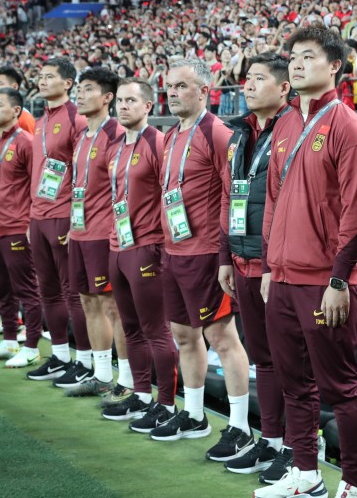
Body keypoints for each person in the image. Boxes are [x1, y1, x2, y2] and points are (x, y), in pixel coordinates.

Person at [255, 26, 357, 498]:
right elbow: (270, 201)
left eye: (309, 56)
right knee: (293, 384)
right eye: (294, 57)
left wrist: (340, 281)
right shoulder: (284, 123)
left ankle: (354, 484)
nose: (298, 64)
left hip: (324, 283)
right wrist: (268, 267)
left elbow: (356, 214)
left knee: (341, 386)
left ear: (335, 67)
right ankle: (305, 474)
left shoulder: (348, 127)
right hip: (281, 278)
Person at [151, 59, 251, 453]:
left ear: (204, 91)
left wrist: (228, 253)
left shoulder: (218, 134)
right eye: (169, 87)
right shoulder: (171, 136)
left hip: (207, 252)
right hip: (174, 252)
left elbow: (234, 194)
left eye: (181, 86)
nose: (173, 92)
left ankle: (241, 427)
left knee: (222, 338)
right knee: (182, 334)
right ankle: (194, 415)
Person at [218, 52, 295, 482]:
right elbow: (229, 197)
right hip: (242, 260)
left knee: (290, 360)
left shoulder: (293, 129)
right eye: (246, 78)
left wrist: (271, 262)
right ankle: (270, 439)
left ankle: (298, 445)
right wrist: (224, 254)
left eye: (259, 79)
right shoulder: (239, 133)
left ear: (283, 88)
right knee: (263, 358)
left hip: (277, 267)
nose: (248, 85)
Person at [99, 78, 178, 431]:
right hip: (117, 246)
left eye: (131, 100)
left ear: (148, 106)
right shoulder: (114, 147)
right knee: (129, 327)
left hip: (146, 247)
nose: (123, 106)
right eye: (120, 100)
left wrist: (162, 245)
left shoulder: (157, 143)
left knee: (155, 330)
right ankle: (141, 394)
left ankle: (167, 404)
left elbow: (169, 195)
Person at [63, 68, 134, 404]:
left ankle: (127, 379)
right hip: (79, 231)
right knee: (88, 302)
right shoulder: (82, 135)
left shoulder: (116, 133)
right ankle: (101, 375)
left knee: (112, 307)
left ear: (107, 97)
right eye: (79, 88)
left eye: (88, 89)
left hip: (105, 233)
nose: (79, 94)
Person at [25, 58, 93, 386]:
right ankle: (61, 356)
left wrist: (75, 219)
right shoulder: (40, 122)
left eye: (49, 76)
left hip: (64, 214)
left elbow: (83, 172)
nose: (42, 80)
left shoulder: (76, 118)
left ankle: (86, 360)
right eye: (40, 76)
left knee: (73, 293)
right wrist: (31, 216)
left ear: (68, 83)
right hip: (39, 215)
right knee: (47, 290)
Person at [0, 87, 44, 368]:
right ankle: (8, 339)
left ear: (16, 110)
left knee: (26, 288)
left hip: (16, 226)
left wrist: (31, 222)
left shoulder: (27, 142)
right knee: (2, 287)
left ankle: (31, 346)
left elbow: (37, 185)